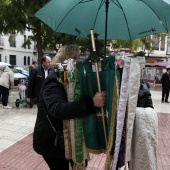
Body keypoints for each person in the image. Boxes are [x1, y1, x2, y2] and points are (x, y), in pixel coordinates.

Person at [33, 45, 106, 170]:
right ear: (63, 59)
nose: (76, 61)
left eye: (78, 58)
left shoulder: (69, 77)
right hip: (54, 144)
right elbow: (57, 109)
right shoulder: (54, 79)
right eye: (73, 58)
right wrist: (91, 103)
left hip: (63, 142)